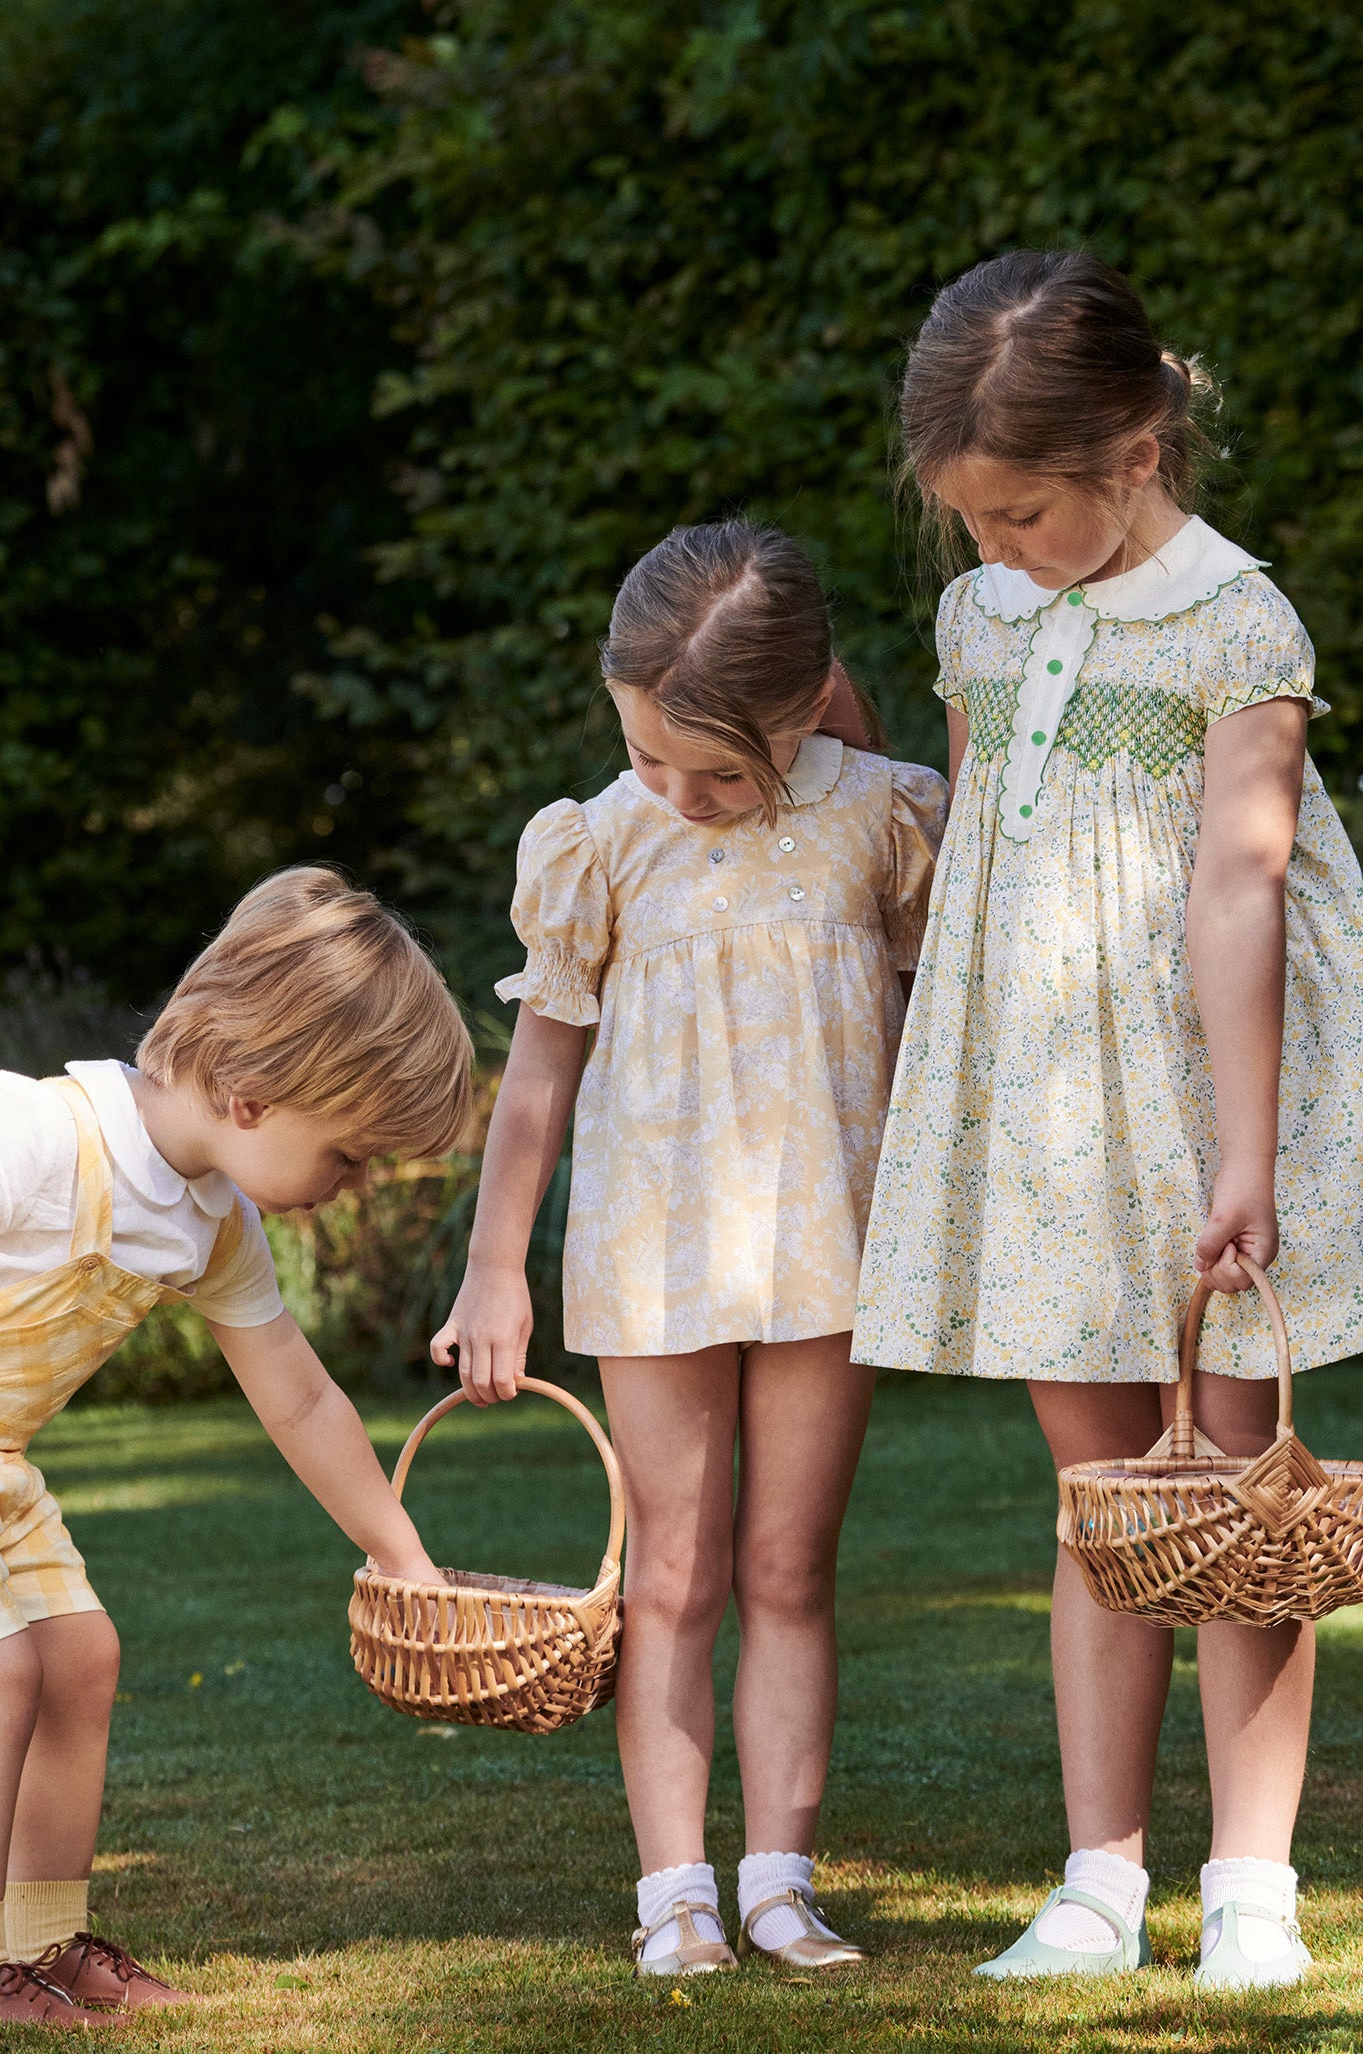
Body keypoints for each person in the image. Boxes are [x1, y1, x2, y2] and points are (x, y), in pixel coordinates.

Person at [854, 250, 1363, 1989]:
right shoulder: (980, 616)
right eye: (970, 518)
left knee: (1240, 1481)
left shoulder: (1241, 622)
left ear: (1139, 444)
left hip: (1219, 1080)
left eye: (1022, 509)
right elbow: (988, 850)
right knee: (1102, 1492)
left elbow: (1241, 882)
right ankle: (1094, 1877)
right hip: (1054, 1098)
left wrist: (1246, 1150)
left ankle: (1253, 1879)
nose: (995, 546)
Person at [432, 519, 948, 1976]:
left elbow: (933, 1013)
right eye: (654, 754)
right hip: (648, 1254)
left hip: (824, 1255)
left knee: (789, 1564)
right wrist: (493, 1270)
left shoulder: (884, 816)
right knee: (672, 1571)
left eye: (721, 768)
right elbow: (536, 1074)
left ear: (802, 709)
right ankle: (675, 1893)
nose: (683, 792)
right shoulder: (600, 843)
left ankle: (779, 1881)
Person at [0, 867, 465, 2025]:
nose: (352, 1185)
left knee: (81, 1657)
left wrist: (402, 1554)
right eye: (348, 1154)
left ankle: (44, 1941)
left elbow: (302, 1400)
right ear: (245, 1090)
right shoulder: (30, 1129)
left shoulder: (208, 1217)